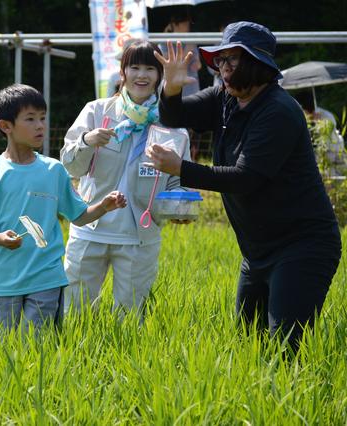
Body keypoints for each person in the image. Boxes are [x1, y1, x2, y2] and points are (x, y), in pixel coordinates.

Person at [146, 22, 342, 352]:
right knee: (248, 347)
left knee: (286, 349)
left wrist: (181, 169)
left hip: (302, 247)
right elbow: (175, 115)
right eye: (220, 60)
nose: (223, 67)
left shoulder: (278, 111)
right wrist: (172, 88)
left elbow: (245, 178)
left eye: (232, 60)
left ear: (258, 64)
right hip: (257, 251)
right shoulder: (225, 98)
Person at [0, 84, 127, 332]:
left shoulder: (54, 170)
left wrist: (104, 206)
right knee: (9, 347)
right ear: (6, 126)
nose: (40, 125)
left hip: (47, 278)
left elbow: (80, 217)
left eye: (42, 118)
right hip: (7, 280)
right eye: (30, 119)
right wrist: (0, 238)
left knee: (36, 344)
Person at [61, 41, 192, 316]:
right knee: (74, 313)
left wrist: (180, 208)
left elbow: (180, 178)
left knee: (131, 318)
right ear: (123, 72)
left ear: (160, 76)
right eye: (134, 67)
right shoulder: (97, 111)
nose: (141, 75)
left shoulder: (171, 124)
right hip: (89, 228)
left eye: (150, 69)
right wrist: (87, 140)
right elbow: (70, 166)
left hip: (140, 234)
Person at [292, 88, 347, 177]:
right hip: (321, 157)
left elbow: (327, 141)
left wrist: (318, 124)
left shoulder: (326, 117)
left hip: (333, 154)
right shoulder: (304, 118)